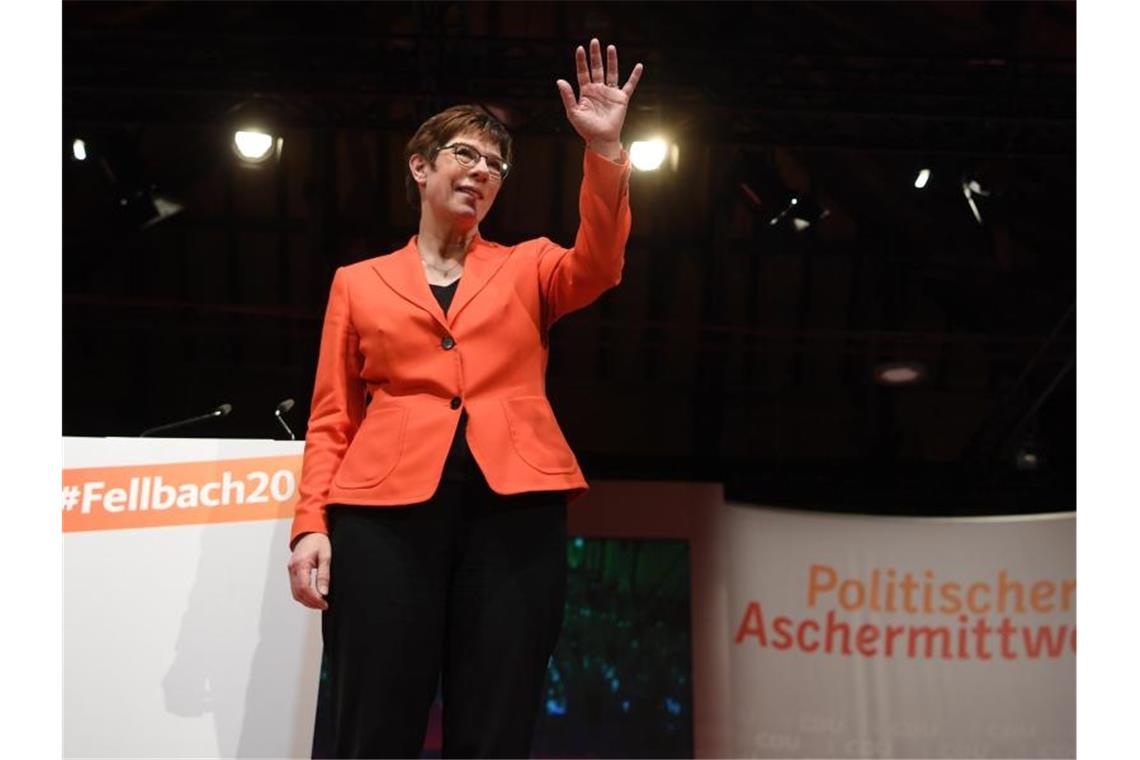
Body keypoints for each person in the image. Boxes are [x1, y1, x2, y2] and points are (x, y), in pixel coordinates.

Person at [287, 38, 643, 759]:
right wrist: (309, 526)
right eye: (466, 155)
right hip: (384, 519)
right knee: (375, 718)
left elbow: (601, 263)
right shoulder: (358, 282)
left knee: (496, 721)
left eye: (496, 166)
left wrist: (605, 150)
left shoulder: (531, 265)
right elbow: (332, 416)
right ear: (421, 167)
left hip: (512, 513)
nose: (483, 172)